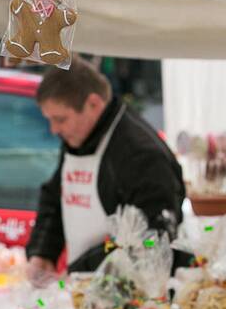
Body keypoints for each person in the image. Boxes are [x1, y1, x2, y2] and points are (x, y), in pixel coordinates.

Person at [26, 57, 185, 279]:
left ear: (93, 104)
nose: (54, 129)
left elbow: (153, 238)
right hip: (86, 288)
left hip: (132, 295)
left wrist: (82, 269)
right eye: (50, 120)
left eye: (61, 119)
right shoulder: (80, 137)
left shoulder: (141, 154)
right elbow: (57, 196)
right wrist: (42, 253)